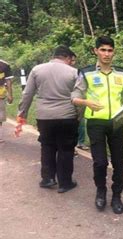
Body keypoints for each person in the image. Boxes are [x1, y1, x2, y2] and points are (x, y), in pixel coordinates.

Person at [72, 36, 123, 214]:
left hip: (116, 122)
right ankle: (101, 191)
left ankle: (117, 196)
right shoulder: (86, 73)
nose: (106, 54)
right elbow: (74, 98)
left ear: (114, 52)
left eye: (110, 50)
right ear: (96, 51)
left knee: (119, 162)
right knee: (100, 162)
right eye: (103, 50)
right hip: (96, 123)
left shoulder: (121, 73)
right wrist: (86, 103)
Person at [17, 45, 79, 193]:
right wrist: (79, 116)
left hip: (44, 116)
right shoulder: (74, 72)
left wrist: (22, 113)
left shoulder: (37, 69)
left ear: (54, 55)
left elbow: (27, 94)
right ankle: (65, 183)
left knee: (47, 146)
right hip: (67, 116)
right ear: (68, 58)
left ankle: (48, 179)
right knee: (66, 148)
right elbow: (79, 97)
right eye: (71, 59)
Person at [0, 59, 13, 143]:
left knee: (0, 116)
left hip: (1, 94)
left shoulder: (4, 65)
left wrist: (10, 94)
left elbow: (8, 81)